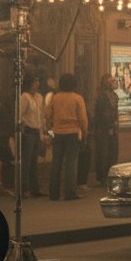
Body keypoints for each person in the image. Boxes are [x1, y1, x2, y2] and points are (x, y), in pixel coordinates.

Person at [47, 72, 88, 201]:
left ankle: (54, 193)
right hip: (72, 132)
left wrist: (51, 126)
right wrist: (85, 132)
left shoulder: (55, 97)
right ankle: (70, 193)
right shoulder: (77, 98)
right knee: (71, 163)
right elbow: (83, 119)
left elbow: (47, 114)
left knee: (56, 162)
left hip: (57, 132)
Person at [19, 75, 46, 197]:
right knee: (26, 161)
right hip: (28, 131)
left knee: (34, 161)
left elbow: (41, 116)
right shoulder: (25, 97)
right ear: (30, 83)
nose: (37, 84)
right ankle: (24, 189)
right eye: (35, 81)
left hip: (36, 131)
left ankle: (34, 188)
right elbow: (19, 114)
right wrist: (23, 126)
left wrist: (42, 133)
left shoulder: (39, 97)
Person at [92, 73, 119, 183]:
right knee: (103, 153)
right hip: (103, 129)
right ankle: (102, 176)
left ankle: (110, 174)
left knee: (113, 152)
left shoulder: (114, 96)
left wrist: (115, 123)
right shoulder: (102, 97)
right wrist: (112, 123)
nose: (114, 83)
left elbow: (114, 112)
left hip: (112, 128)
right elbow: (103, 114)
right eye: (111, 81)